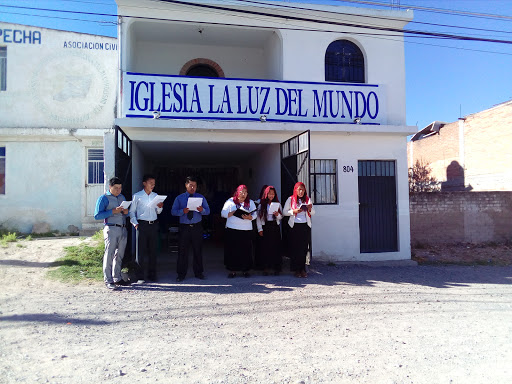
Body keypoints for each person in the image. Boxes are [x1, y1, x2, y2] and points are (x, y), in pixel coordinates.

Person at [171, 176, 210, 282]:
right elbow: (173, 212)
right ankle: (181, 274)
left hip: (197, 226)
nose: (193, 187)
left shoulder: (201, 197)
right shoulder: (179, 198)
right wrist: (182, 212)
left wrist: (202, 210)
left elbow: (208, 211)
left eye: (195, 185)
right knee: (182, 251)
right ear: (186, 185)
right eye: (191, 185)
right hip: (184, 227)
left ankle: (199, 272)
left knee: (198, 250)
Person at [94, 177, 130, 290]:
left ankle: (117, 278)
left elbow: (126, 214)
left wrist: (126, 212)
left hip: (122, 228)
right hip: (111, 228)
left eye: (120, 188)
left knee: (119, 255)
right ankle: (108, 280)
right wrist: (112, 211)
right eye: (116, 188)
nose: (118, 191)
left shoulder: (122, 197)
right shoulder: (103, 198)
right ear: (110, 187)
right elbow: (97, 215)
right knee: (109, 254)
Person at [129, 174, 164, 283]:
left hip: (153, 224)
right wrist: (135, 223)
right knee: (141, 251)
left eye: (154, 183)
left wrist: (160, 207)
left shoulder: (155, 195)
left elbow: (158, 212)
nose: (152, 185)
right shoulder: (137, 196)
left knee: (153, 251)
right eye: (150, 183)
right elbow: (131, 211)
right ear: (144, 183)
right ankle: (140, 276)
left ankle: (152, 275)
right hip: (142, 225)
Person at [221, 185, 257, 278]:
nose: (243, 194)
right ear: (237, 192)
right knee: (233, 251)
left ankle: (245, 270)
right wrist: (233, 212)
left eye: (245, 192)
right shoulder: (230, 201)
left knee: (245, 251)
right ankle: (232, 270)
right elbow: (223, 213)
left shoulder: (251, 202)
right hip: (232, 229)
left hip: (246, 230)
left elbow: (255, 213)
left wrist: (250, 217)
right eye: (241, 192)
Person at [283, 182, 315, 278]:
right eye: (299, 189)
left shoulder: (307, 199)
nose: (301, 192)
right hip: (294, 226)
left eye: (302, 189)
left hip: (305, 226)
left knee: (304, 248)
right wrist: (293, 211)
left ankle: (302, 269)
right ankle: (296, 270)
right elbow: (284, 212)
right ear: (295, 190)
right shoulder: (290, 199)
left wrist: (309, 209)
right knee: (295, 248)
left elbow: (313, 212)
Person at [256, 185, 283, 276]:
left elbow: (281, 217)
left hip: (274, 227)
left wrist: (277, 215)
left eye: (273, 194)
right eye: (269, 194)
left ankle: (276, 268)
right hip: (266, 227)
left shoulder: (277, 204)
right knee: (265, 247)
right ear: (266, 194)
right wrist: (260, 229)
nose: (271, 196)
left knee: (275, 247)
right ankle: (266, 267)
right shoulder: (261, 205)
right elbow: (259, 219)